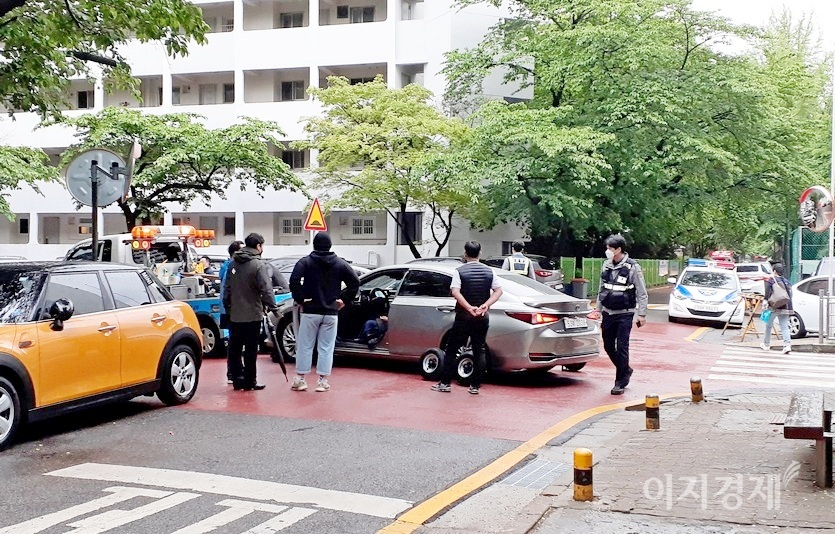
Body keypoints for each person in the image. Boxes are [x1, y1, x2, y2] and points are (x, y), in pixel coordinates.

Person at [289, 232, 360, 393]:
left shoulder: (305, 262)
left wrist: (301, 298)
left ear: (314, 245)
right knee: (326, 347)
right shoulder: (340, 263)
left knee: (305, 345)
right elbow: (355, 282)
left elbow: (294, 281)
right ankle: (322, 381)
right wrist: (344, 299)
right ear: (330, 246)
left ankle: (300, 379)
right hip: (331, 312)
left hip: (310, 311)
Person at [432, 240, 503, 395]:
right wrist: (485, 305)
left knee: (452, 348)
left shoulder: (459, 271)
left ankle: (445, 383)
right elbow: (498, 291)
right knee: (479, 349)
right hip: (482, 316)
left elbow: (455, 292)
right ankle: (475, 386)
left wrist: (469, 307)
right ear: (480, 253)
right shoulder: (490, 271)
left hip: (463, 316)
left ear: (465, 254)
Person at [222, 233, 276, 391]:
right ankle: (250, 380)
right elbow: (266, 289)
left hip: (235, 314)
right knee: (251, 350)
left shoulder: (233, 264)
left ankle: (237, 379)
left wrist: (229, 308)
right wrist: (273, 308)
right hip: (253, 313)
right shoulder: (258, 265)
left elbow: (227, 289)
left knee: (235, 348)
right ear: (258, 246)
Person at [596, 234, 648, 395]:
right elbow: (602, 288)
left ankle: (620, 381)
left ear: (618, 249)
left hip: (625, 313)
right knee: (608, 345)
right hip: (608, 312)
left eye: (610, 248)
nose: (607, 251)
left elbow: (642, 292)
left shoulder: (633, 267)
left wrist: (642, 314)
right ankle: (626, 369)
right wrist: (597, 309)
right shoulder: (606, 265)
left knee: (622, 346)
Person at [219, 240, 243, 384]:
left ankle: (234, 372)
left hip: (228, 309)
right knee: (234, 342)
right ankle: (233, 372)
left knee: (234, 341)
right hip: (230, 310)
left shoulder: (226, 267)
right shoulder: (230, 267)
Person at [760, 263, 793, 354]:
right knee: (784, 327)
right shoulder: (787, 282)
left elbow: (767, 293)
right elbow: (790, 295)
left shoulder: (771, 281)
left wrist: (765, 303)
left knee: (768, 325)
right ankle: (787, 345)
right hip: (786, 307)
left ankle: (766, 344)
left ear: (774, 271)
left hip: (774, 307)